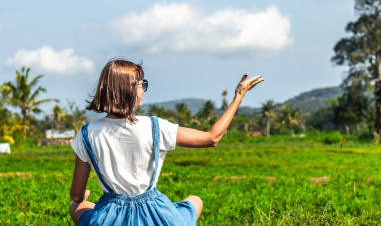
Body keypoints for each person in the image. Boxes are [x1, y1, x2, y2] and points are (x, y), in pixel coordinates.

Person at [69, 58, 264, 225]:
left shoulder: (87, 134)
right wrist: (239, 96)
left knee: (76, 206)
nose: (143, 90)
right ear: (128, 89)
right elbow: (212, 138)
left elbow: (76, 195)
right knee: (195, 200)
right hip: (156, 215)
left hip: (111, 218)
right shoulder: (155, 127)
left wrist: (84, 197)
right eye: (141, 85)